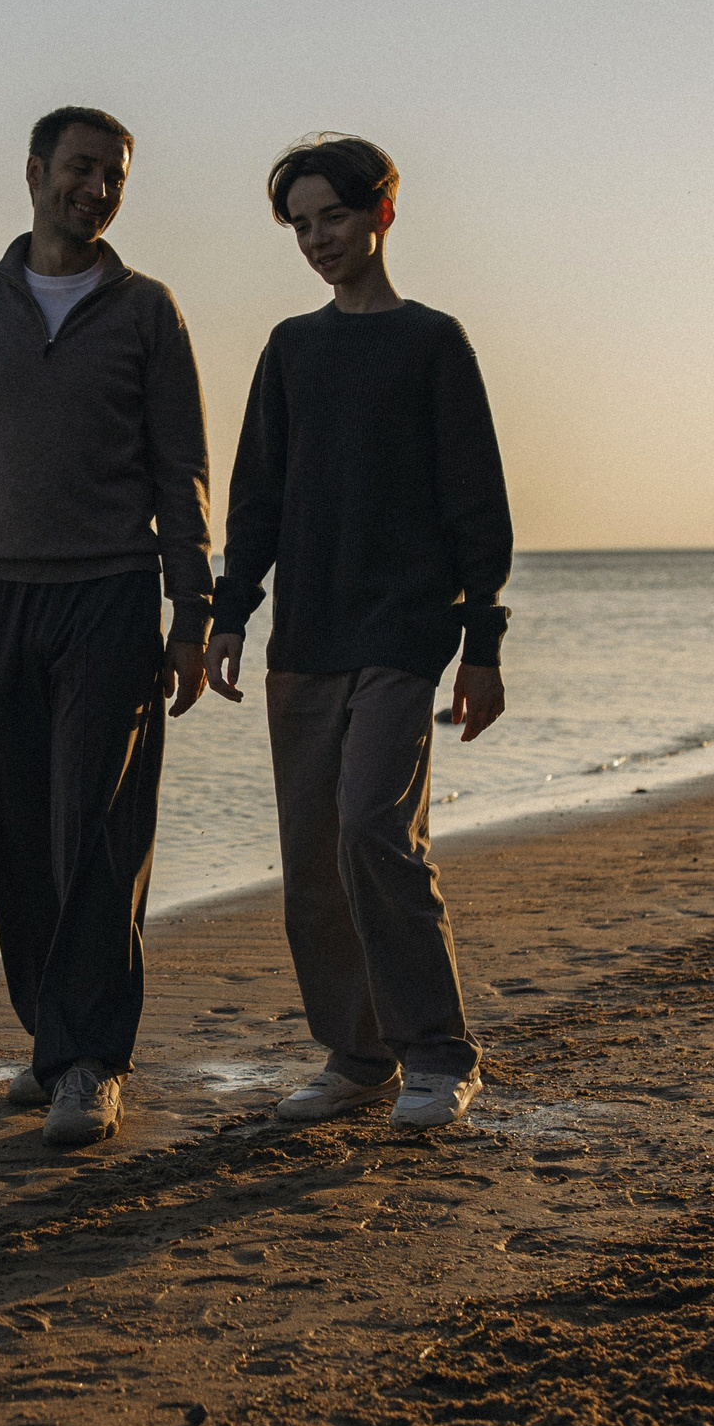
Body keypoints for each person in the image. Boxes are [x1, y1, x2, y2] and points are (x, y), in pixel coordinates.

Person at [0, 106, 213, 1148]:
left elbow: (182, 472)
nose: (98, 189)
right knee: (19, 835)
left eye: (114, 174)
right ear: (33, 172)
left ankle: (90, 1063)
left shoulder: (147, 311)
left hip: (111, 596)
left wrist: (191, 610)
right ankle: (50, 1039)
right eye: (80, 169)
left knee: (98, 836)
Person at [205, 134, 512, 1132]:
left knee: (374, 829)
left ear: (381, 212)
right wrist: (229, 617)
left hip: (402, 634)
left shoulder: (432, 343)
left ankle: (438, 1053)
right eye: (298, 224)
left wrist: (482, 647)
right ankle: (356, 1055)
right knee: (313, 862)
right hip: (305, 635)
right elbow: (254, 497)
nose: (314, 239)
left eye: (330, 216)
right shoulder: (292, 350)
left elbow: (477, 506)